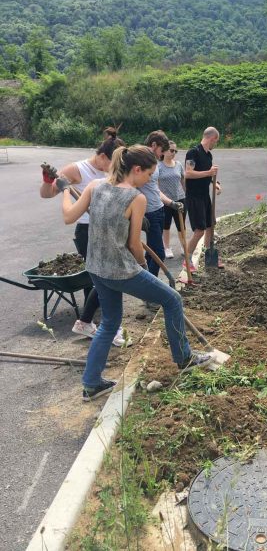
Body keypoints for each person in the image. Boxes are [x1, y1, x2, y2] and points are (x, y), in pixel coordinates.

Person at [56, 145, 212, 401]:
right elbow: (133, 245)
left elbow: (68, 216)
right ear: (136, 170)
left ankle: (91, 384)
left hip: (96, 268)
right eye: (149, 175)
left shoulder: (95, 186)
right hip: (121, 270)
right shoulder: (136, 198)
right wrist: (141, 265)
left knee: (109, 323)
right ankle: (184, 358)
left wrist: (64, 189)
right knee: (173, 299)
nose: (150, 180)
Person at [40, 128, 131, 346]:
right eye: (112, 163)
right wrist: (48, 180)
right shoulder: (77, 170)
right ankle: (104, 326)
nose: (114, 169)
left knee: (105, 280)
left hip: (110, 229)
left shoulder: (113, 171)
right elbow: (47, 193)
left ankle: (90, 322)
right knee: (105, 279)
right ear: (102, 157)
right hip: (88, 232)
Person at [140, 131, 184, 275]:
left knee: (151, 252)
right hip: (149, 213)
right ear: (153, 145)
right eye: (161, 150)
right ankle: (151, 286)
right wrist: (139, 214)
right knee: (160, 252)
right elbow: (131, 189)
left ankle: (149, 283)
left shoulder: (153, 162)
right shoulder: (140, 161)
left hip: (159, 210)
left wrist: (171, 203)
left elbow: (155, 190)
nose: (162, 154)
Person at [184, 126, 223, 270]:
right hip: (194, 197)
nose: (215, 144)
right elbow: (188, 173)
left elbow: (209, 175)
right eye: (216, 141)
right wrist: (208, 173)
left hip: (205, 196)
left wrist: (215, 183)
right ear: (212, 138)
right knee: (199, 230)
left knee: (210, 226)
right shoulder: (193, 152)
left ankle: (209, 255)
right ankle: (187, 261)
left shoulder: (208, 156)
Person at [158, 140, 186, 258]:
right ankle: (167, 247)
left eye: (175, 151)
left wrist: (186, 194)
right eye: (171, 150)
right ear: (164, 151)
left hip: (180, 199)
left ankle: (183, 245)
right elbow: (156, 184)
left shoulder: (178, 165)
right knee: (166, 225)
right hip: (166, 201)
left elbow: (183, 181)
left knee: (181, 225)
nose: (173, 153)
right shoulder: (158, 166)